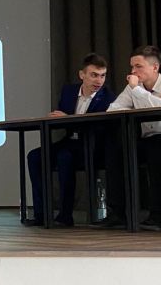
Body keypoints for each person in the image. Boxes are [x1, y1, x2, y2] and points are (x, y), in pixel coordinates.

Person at [102, 45, 161, 231]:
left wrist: (137, 91)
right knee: (116, 149)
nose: (133, 71)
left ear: (155, 67)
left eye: (138, 66)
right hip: (150, 140)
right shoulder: (133, 87)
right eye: (132, 67)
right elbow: (113, 109)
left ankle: (158, 216)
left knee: (156, 149)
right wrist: (138, 96)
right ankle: (117, 213)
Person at [24, 53, 113, 227]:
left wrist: (69, 118)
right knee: (34, 156)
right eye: (94, 75)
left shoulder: (108, 98)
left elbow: (99, 127)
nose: (99, 80)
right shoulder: (69, 91)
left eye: (102, 76)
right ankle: (41, 214)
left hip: (92, 146)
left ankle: (65, 216)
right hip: (70, 141)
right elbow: (61, 117)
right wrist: (59, 118)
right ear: (82, 75)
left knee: (64, 157)